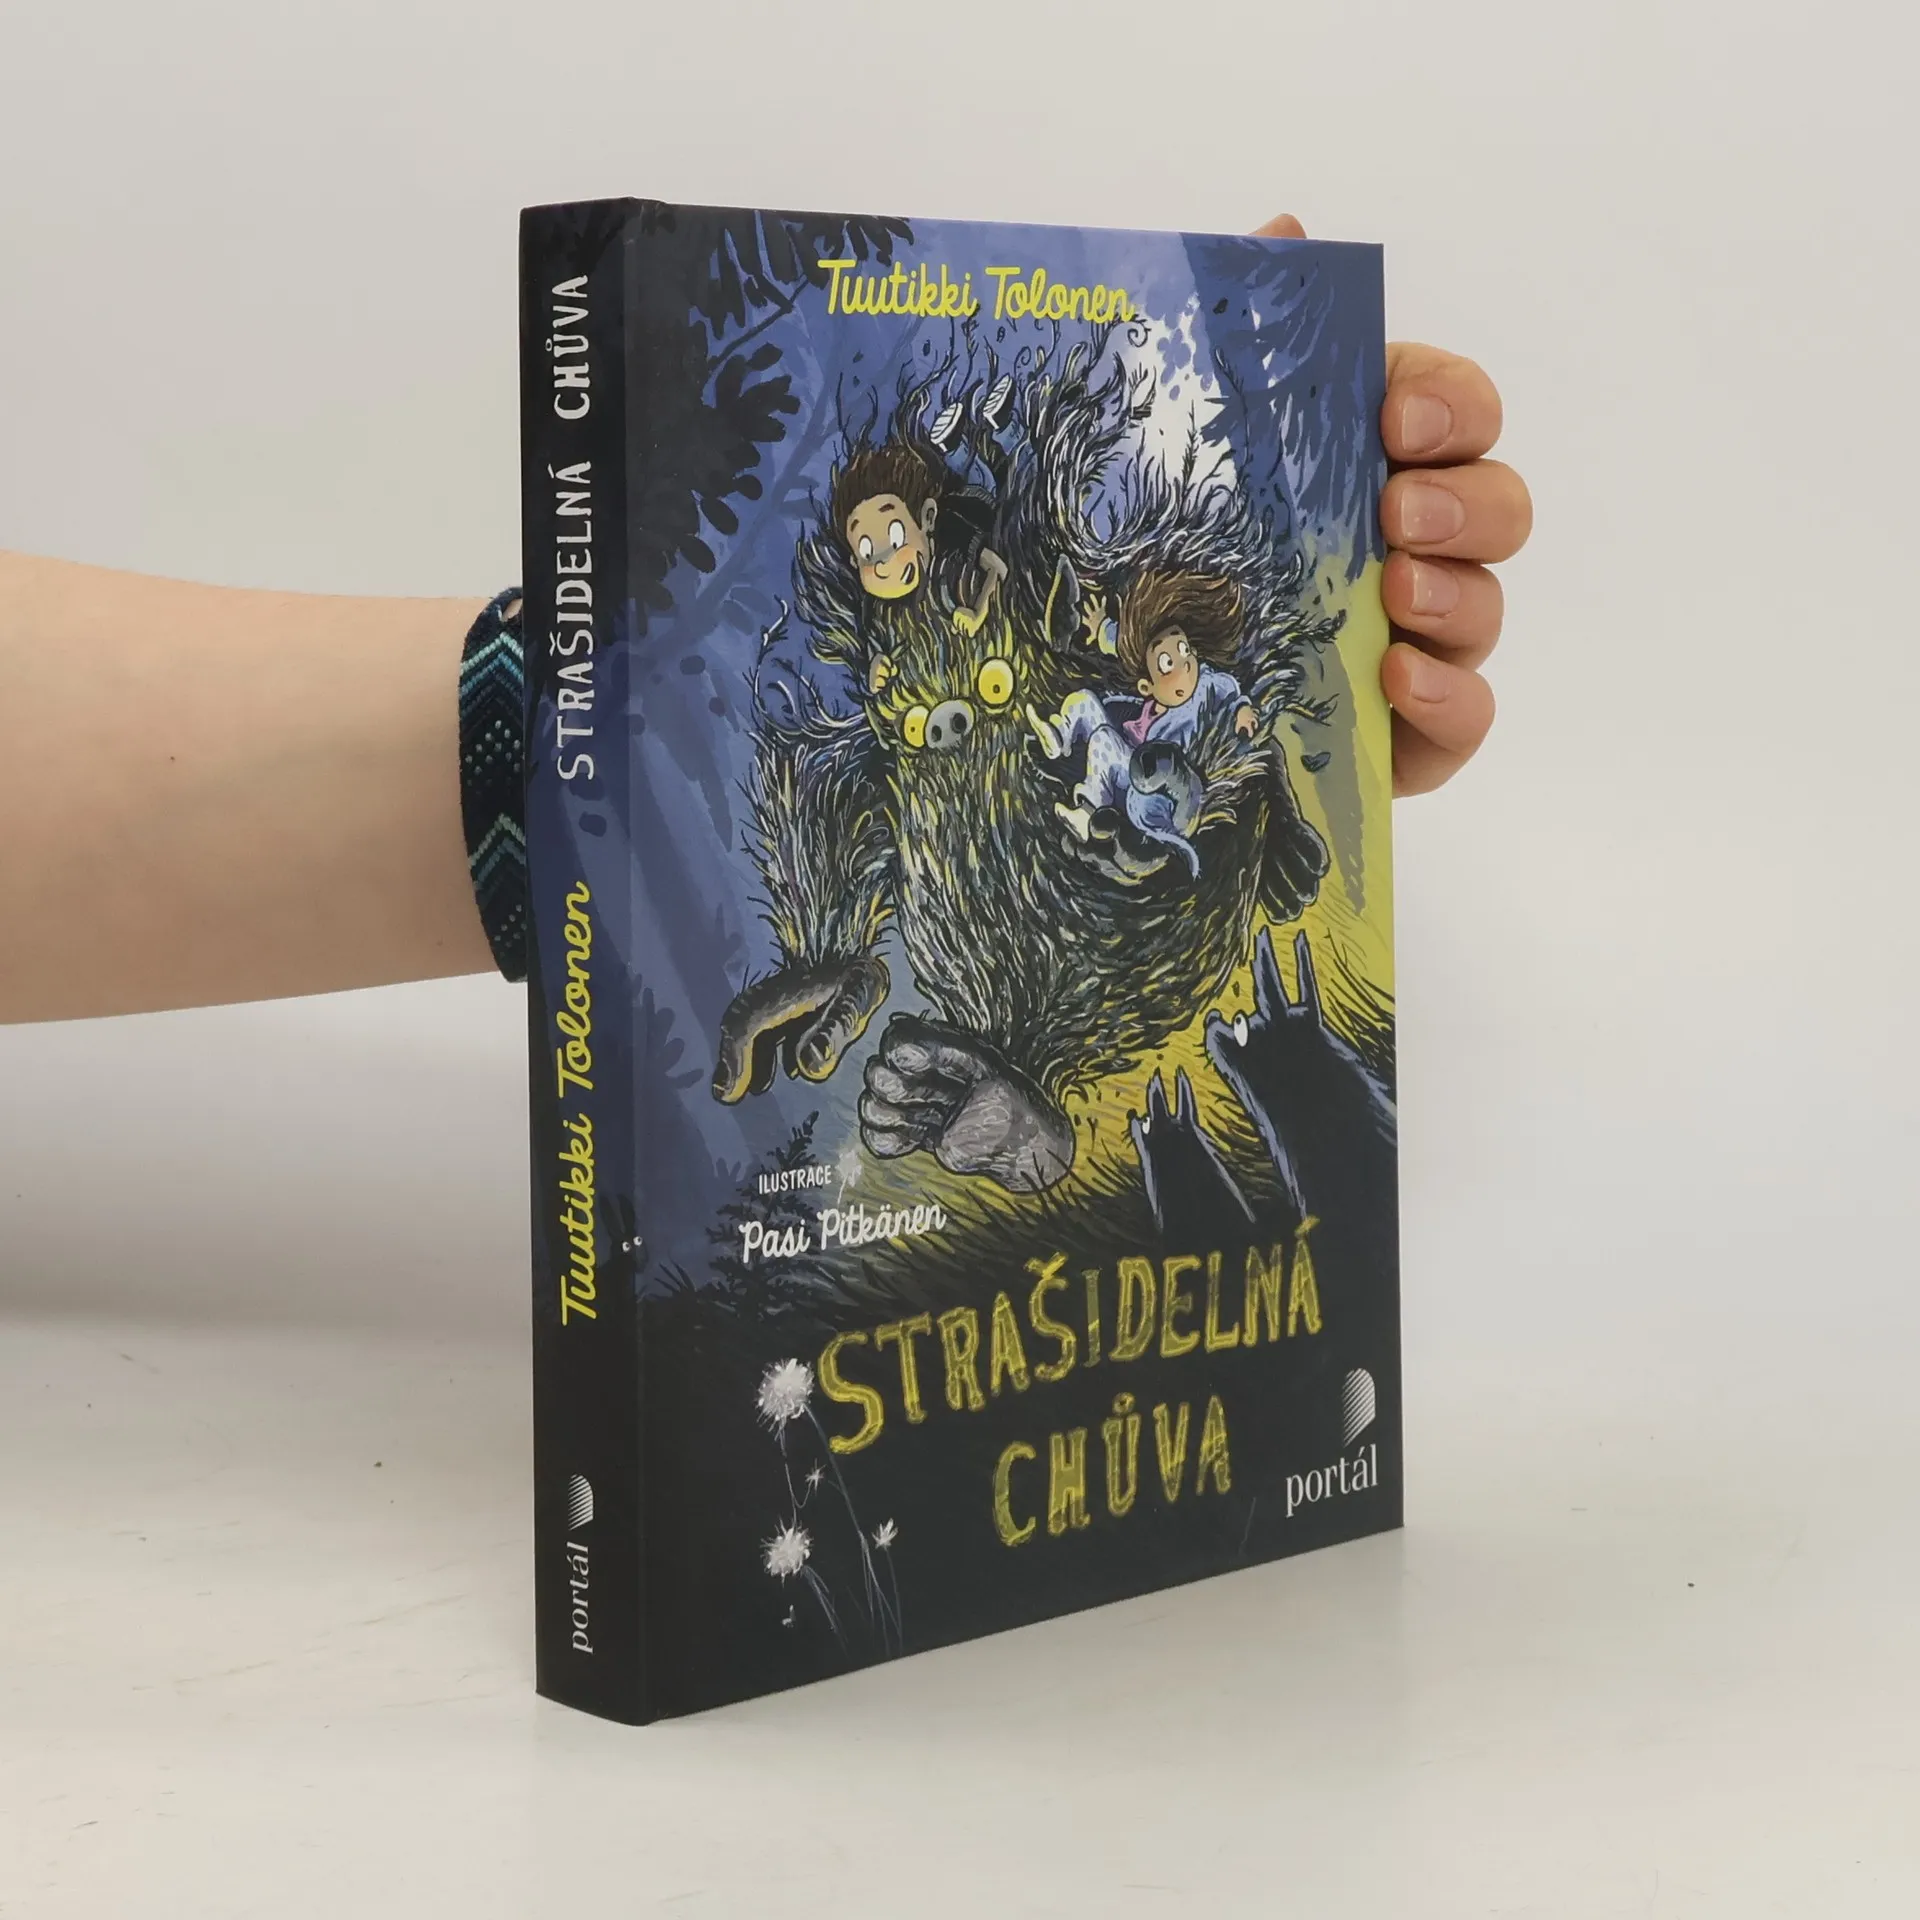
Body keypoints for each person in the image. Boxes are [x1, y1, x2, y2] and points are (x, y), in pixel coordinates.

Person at [0, 214, 1531, 1028]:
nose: (885, 551)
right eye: (867, 538)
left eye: (895, 531)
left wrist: (1162, 441)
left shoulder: (1021, 596)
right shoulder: (865, 650)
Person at [1030, 570, 1256, 878]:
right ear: (1146, 687)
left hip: (1145, 782)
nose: (1184, 665)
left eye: (1183, 650)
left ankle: (1086, 813)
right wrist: (1102, 628)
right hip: (1128, 753)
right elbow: (1128, 648)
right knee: (1084, 701)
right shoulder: (1147, 684)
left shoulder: (1204, 686)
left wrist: (1241, 710)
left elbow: (1228, 691)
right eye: (1167, 664)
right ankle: (1059, 736)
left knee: (1103, 741)